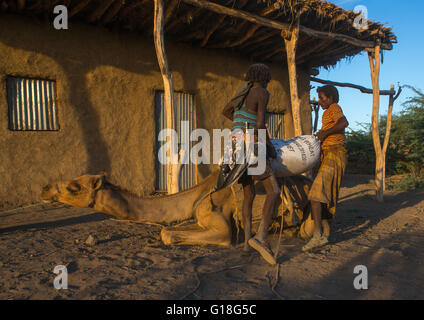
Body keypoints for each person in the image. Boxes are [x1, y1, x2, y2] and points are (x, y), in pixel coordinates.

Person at [222, 63, 280, 265]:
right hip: (252, 143)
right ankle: (261, 238)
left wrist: (240, 122)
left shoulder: (241, 94)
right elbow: (259, 124)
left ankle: (247, 242)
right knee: (273, 190)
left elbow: (226, 111)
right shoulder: (261, 92)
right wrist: (270, 146)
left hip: (235, 144)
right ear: (265, 77)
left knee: (249, 194)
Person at [302, 85, 349, 251]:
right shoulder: (326, 113)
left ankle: (317, 236)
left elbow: (344, 122)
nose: (320, 101)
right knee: (326, 196)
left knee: (316, 195)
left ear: (330, 98)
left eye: (322, 98)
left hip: (335, 154)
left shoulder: (334, 107)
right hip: (331, 155)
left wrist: (325, 133)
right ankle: (328, 233)